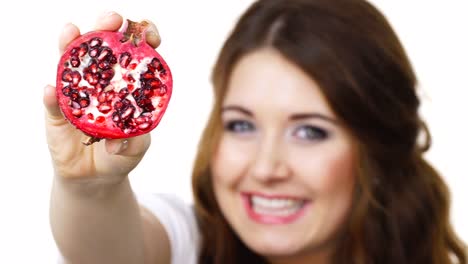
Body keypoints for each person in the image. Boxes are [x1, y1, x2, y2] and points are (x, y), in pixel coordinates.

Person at [46, 0, 467, 263]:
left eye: (309, 133)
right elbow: (107, 253)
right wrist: (88, 187)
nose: (266, 168)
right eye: (242, 124)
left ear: (379, 144)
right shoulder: (192, 244)